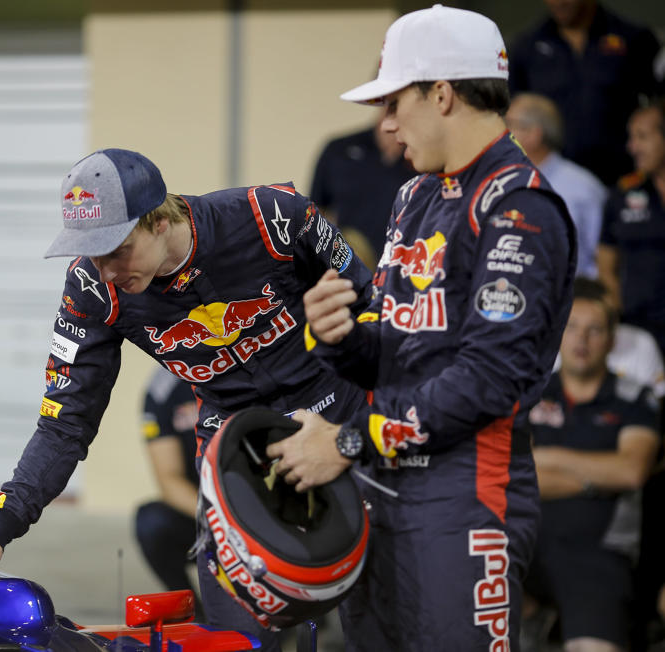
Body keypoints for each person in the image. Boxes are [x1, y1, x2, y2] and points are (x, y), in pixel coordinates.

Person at [0, 147, 375, 650]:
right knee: (235, 640)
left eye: (115, 248)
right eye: (91, 252)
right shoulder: (91, 288)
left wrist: (379, 430)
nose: (107, 269)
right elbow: (64, 421)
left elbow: (375, 310)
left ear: (158, 218)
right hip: (233, 447)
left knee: (376, 626)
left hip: (338, 420)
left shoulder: (271, 217)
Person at [267, 5, 577, 650]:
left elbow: (489, 379)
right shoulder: (416, 195)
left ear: (442, 94)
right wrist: (342, 337)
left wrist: (347, 442)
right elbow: (396, 346)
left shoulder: (519, 206)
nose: (383, 125)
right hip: (381, 484)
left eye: (392, 102)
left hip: (464, 499)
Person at [523, 278, 660, 652]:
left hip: (597, 555)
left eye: (595, 330)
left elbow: (631, 471)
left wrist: (546, 458)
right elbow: (510, 474)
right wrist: (594, 478)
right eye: (572, 328)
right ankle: (536, 619)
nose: (581, 340)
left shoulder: (634, 397)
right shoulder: (532, 394)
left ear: (612, 340)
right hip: (524, 546)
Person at [508, 0, 662, 186]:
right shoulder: (525, 46)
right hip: (551, 181)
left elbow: (656, 109)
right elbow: (510, 116)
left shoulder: (635, 39)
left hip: (621, 180)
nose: (559, 3)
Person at [506, 92, 607, 278]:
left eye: (510, 124)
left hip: (572, 299)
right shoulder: (501, 181)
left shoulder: (583, 188)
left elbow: (602, 259)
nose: (503, 132)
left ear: (534, 134)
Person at [598, 100, 665, 359]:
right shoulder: (621, 195)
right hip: (638, 330)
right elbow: (606, 266)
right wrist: (619, 315)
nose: (632, 147)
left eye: (642, 137)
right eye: (631, 137)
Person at [310, 110, 414, 269]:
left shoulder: (423, 156)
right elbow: (315, 215)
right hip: (350, 270)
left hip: (406, 271)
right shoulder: (339, 149)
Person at [133, 368, 199, 604]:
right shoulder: (164, 387)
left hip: (262, 504)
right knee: (152, 522)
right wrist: (223, 520)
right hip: (205, 512)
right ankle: (192, 613)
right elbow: (169, 478)